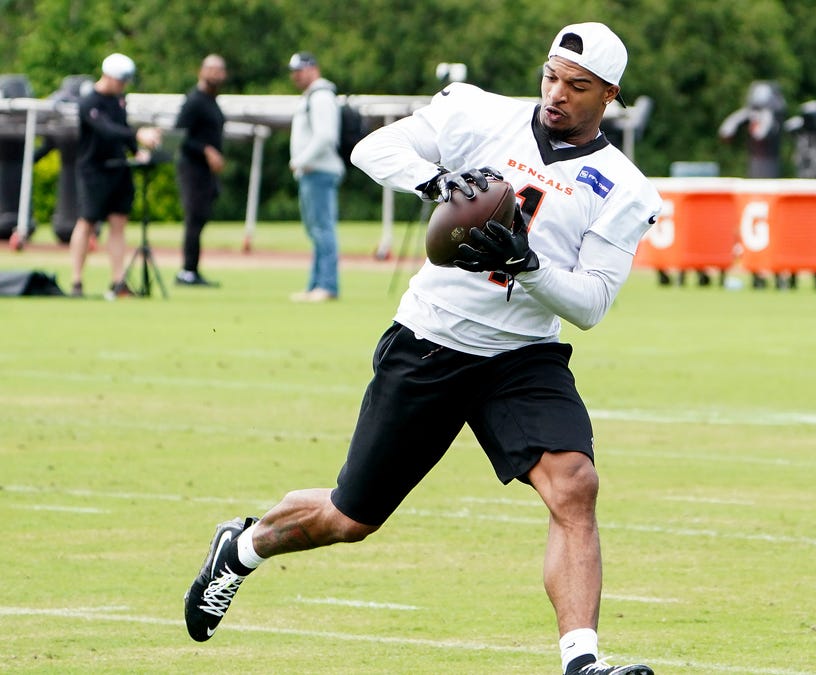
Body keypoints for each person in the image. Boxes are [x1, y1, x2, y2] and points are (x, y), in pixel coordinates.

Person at [183, 22, 660, 675]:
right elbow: (372, 148)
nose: (556, 94)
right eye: (551, 76)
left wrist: (528, 266)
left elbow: (591, 305)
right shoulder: (477, 112)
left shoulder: (623, 185)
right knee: (350, 517)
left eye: (577, 86)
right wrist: (437, 184)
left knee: (574, 484)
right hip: (432, 339)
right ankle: (241, 548)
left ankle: (582, 660)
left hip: (521, 356)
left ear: (609, 94)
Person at [69, 53, 161, 299]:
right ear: (107, 75)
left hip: (119, 169)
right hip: (94, 171)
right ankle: (76, 281)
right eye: (120, 80)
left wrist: (136, 152)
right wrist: (137, 134)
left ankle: (118, 281)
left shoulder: (119, 101)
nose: (122, 86)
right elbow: (107, 130)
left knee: (119, 222)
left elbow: (122, 130)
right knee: (87, 222)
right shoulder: (89, 103)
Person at [286, 51, 342, 302]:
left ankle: (327, 285)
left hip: (319, 171)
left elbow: (325, 136)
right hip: (311, 173)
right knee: (316, 230)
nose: (296, 76)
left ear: (313, 69)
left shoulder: (321, 97)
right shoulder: (311, 96)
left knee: (323, 229)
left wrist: (300, 161)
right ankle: (315, 284)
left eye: (300, 70)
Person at [174, 54, 227, 287]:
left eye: (219, 69)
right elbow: (179, 135)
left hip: (206, 173)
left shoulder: (212, 101)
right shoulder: (194, 101)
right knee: (194, 219)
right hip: (193, 169)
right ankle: (188, 271)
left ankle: (192, 269)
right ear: (201, 71)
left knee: (201, 217)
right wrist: (206, 150)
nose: (215, 74)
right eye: (211, 69)